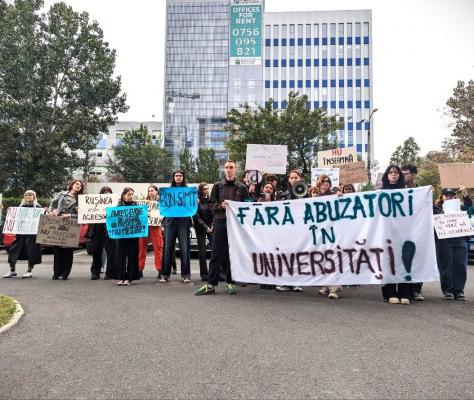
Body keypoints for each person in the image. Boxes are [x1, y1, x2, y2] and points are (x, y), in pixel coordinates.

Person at [195, 160, 249, 295]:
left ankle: (230, 282)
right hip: (220, 222)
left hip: (236, 225)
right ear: (223, 170)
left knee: (233, 254)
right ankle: (211, 284)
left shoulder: (242, 187)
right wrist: (220, 206)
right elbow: (211, 204)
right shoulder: (217, 186)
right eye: (227, 167)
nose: (229, 170)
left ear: (235, 170)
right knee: (215, 253)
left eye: (231, 167)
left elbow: (248, 205)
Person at [379, 165, 413, 305]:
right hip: (387, 233)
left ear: (400, 175)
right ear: (387, 175)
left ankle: (405, 292)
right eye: (390, 172)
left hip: (404, 232)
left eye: (396, 172)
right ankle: (390, 292)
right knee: (389, 261)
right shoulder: (380, 193)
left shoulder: (407, 192)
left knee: (405, 260)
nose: (393, 174)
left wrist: (427, 193)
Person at [433, 186, 472, 301]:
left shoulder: (461, 208)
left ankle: (459, 291)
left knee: (460, 265)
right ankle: (448, 290)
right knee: (446, 265)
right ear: (442, 197)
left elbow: (470, 208)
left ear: (455, 196)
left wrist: (465, 194)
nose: (449, 197)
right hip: (443, 241)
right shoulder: (437, 208)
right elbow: (425, 207)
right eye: (446, 195)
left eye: (451, 195)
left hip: (460, 239)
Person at [312, 175, 343, 299]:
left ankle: (334, 288)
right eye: (323, 182)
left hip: (332, 231)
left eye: (327, 181)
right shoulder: (316, 197)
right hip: (320, 232)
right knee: (323, 259)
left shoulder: (335, 194)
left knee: (333, 257)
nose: (325, 184)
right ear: (319, 184)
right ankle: (326, 285)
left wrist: (341, 197)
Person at [275, 170, 305, 292]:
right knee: (286, 255)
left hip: (300, 229)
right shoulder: (285, 194)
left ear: (300, 179)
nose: (293, 179)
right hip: (287, 230)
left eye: (295, 177)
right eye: (291, 177)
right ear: (289, 180)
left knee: (298, 255)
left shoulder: (305, 193)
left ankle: (297, 282)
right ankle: (286, 282)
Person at [159, 170, 192, 283]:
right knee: (168, 249)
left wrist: (194, 202)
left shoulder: (188, 192)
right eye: (176, 176)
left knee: (184, 249)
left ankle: (186, 275)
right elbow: (163, 208)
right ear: (173, 177)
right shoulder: (168, 192)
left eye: (180, 175)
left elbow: (191, 208)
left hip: (184, 223)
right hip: (170, 223)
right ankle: (164, 274)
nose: (178, 177)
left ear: (183, 177)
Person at [49, 179, 84, 280]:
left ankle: (65, 273)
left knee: (68, 251)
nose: (78, 186)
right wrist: (51, 211)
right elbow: (53, 202)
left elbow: (81, 215)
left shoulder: (80, 199)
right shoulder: (62, 194)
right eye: (77, 184)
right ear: (72, 185)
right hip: (57, 223)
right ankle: (56, 273)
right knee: (57, 249)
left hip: (71, 225)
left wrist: (69, 215)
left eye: (80, 185)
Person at [3, 190, 43, 278]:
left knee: (31, 251)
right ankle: (12, 270)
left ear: (34, 197)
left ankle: (29, 270)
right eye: (26, 195)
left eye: (30, 195)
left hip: (32, 234)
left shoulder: (37, 207)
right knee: (13, 249)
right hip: (20, 233)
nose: (28, 196)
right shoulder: (20, 207)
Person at [401, 164, 424, 301]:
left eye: (406, 173)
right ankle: (405, 288)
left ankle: (416, 289)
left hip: (418, 230)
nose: (403, 176)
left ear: (414, 174)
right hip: (402, 230)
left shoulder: (422, 191)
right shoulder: (397, 191)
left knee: (417, 259)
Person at [113, 187, 140, 286]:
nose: (131, 196)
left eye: (132, 194)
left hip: (133, 235)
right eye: (129, 194)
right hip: (121, 235)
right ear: (124, 195)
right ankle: (121, 277)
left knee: (133, 255)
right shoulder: (118, 206)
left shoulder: (137, 206)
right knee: (120, 255)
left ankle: (129, 278)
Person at [89, 186, 116, 280]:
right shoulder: (95, 203)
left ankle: (109, 272)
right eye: (105, 192)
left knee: (111, 252)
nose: (107, 194)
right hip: (97, 229)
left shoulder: (114, 204)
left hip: (110, 229)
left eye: (109, 193)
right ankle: (95, 272)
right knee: (96, 251)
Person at [138, 185, 163, 279]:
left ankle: (160, 269)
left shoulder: (161, 202)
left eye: (152, 190)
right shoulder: (144, 203)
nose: (150, 192)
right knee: (141, 248)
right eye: (149, 191)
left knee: (158, 248)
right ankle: (139, 269)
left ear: (157, 191)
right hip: (144, 226)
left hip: (156, 227)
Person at [193, 182, 213, 281]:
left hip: (212, 228)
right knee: (202, 252)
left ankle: (215, 272)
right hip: (201, 228)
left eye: (207, 188)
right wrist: (206, 227)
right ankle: (204, 274)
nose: (206, 190)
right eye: (204, 189)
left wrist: (212, 226)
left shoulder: (210, 200)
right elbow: (196, 217)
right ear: (200, 190)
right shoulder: (197, 201)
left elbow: (214, 214)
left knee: (215, 251)